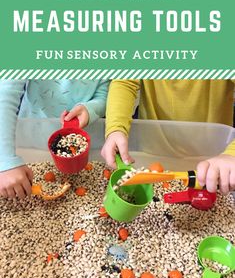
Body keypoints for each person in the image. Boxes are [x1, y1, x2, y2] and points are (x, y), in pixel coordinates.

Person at [101, 79, 235, 195]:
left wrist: (231, 154)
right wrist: (116, 128)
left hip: (212, 160)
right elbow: (125, 83)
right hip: (153, 148)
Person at [0, 78, 109, 198]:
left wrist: (90, 109)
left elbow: (104, 94)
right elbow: (5, 94)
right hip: (31, 136)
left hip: (83, 139)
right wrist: (5, 161)